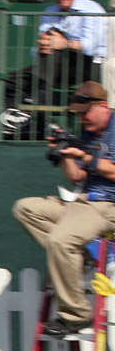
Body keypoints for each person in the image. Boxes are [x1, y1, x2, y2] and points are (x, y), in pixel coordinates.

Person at [13, 81, 115, 337]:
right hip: (85, 203)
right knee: (25, 208)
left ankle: (77, 315)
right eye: (78, 114)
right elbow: (77, 178)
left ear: (103, 105)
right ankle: (79, 257)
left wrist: (84, 157)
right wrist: (65, 153)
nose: (82, 119)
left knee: (61, 240)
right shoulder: (90, 132)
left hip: (108, 205)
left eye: (85, 112)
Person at [2, 0, 107, 136]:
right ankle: (21, 124)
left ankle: (39, 102)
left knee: (55, 48)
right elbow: (38, 52)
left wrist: (63, 43)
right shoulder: (50, 10)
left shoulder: (91, 8)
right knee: (12, 80)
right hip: (56, 67)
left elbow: (90, 47)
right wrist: (41, 46)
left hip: (91, 65)